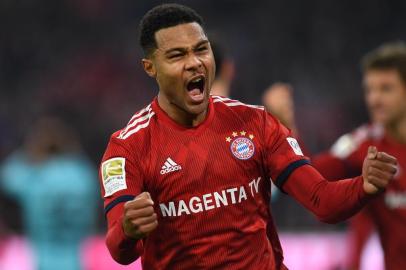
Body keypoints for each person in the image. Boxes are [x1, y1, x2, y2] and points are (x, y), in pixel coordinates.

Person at [98, 4, 397, 269]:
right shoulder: (127, 147)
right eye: (177, 55)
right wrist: (128, 229)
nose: (194, 62)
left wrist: (364, 186)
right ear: (150, 67)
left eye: (201, 50)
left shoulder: (255, 122)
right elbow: (120, 251)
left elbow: (322, 200)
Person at [311, 42, 406, 270]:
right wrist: (287, 132)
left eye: (385, 88)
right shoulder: (363, 145)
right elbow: (310, 176)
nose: (374, 99)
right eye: (369, 90)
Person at [0, 116, 98, 270]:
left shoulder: (34, 176)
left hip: (42, 258)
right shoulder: (82, 175)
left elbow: (6, 176)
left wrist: (29, 152)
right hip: (78, 259)